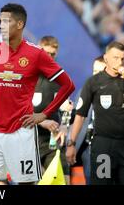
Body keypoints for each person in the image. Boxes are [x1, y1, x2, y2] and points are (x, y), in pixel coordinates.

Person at [0, 3, 75, 185]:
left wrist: (44, 114)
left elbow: (68, 85)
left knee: (27, 184)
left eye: (6, 21)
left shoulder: (36, 54)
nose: (1, 25)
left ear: (20, 24)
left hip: (22, 132)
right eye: (0, 21)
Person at [66, 41, 124, 185]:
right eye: (116, 58)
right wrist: (71, 143)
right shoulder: (93, 82)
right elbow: (80, 115)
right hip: (103, 146)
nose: (120, 62)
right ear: (106, 58)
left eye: (123, 58)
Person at [32, 36, 71, 184]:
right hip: (29, 141)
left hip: (52, 142)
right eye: (45, 53)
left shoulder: (60, 78)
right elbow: (16, 109)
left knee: (63, 181)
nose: (48, 57)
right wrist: (42, 121)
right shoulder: (26, 76)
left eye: (52, 54)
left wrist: (64, 125)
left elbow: (68, 108)